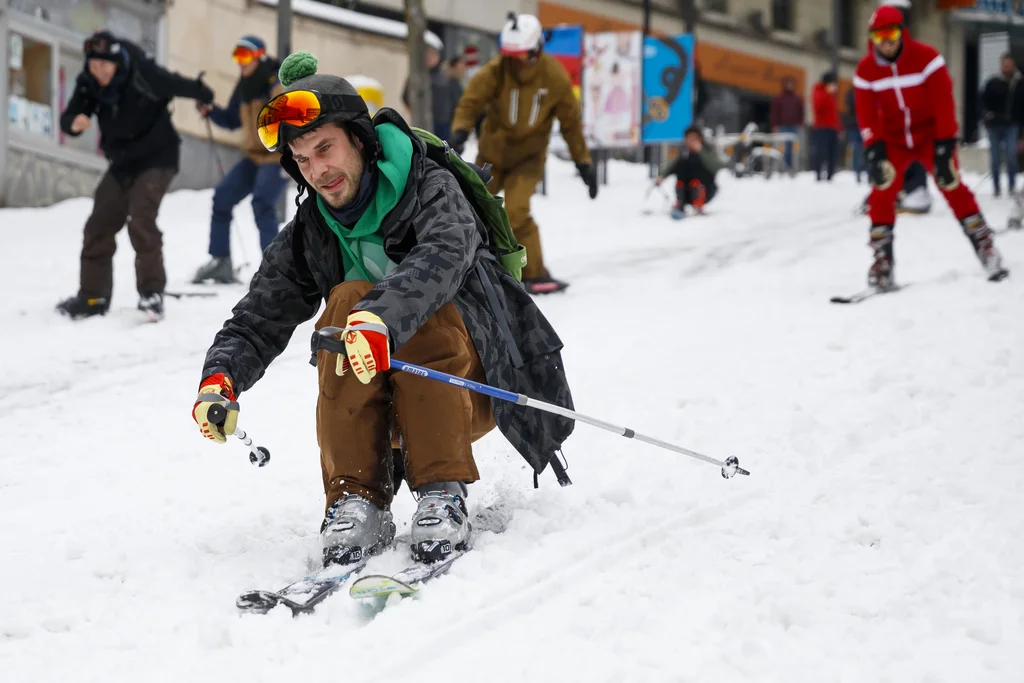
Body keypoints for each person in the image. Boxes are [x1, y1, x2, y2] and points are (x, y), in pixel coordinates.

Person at [191, 52, 574, 567]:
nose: (317, 170)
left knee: (378, 302)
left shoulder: (430, 188)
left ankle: (442, 490)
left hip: (477, 384)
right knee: (347, 299)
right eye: (302, 160)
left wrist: (379, 320)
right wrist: (220, 378)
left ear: (360, 140)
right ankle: (357, 498)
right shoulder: (313, 231)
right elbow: (260, 313)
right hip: (384, 402)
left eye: (325, 148)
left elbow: (441, 257)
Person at [56, 31, 214, 321]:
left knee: (141, 219)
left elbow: (177, 83)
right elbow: (71, 114)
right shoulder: (89, 83)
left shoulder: (143, 73)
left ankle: (152, 294)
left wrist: (204, 96)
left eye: (104, 65)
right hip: (122, 163)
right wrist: (72, 124)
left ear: (117, 62)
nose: (99, 72)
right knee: (98, 225)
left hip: (158, 158)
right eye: (93, 65)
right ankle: (93, 296)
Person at [854, 5, 1008, 288]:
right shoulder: (866, 70)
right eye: (878, 36)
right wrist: (873, 147)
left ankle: (984, 244)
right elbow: (865, 112)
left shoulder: (926, 58)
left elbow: (943, 102)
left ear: (902, 32)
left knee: (951, 184)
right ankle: (882, 260)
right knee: (881, 192)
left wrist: (944, 146)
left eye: (890, 33)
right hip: (894, 139)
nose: (885, 42)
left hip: (929, 135)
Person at [449, 12, 598, 295]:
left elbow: (571, 124)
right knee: (474, 207)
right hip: (493, 154)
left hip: (528, 159)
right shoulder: (496, 70)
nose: (514, 61)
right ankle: (474, 266)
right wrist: (460, 131)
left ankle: (535, 272)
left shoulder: (554, 77)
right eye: (510, 54)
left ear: (536, 49)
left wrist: (583, 163)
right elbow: (470, 102)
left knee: (516, 211)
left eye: (520, 55)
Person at [193, 36, 288, 284]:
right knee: (223, 196)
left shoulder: (273, 82)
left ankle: (275, 270)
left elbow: (288, 117)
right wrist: (210, 111)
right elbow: (233, 119)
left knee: (262, 204)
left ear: (259, 57)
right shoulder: (245, 85)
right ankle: (220, 260)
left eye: (245, 56)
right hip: (254, 155)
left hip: (277, 156)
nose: (240, 63)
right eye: (237, 56)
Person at [401, 31, 459, 142]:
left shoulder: (446, 77)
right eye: (428, 54)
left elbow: (454, 102)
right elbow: (405, 96)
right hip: (421, 123)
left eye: (433, 54)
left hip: (443, 126)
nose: (430, 57)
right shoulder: (416, 76)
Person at [655, 125, 723, 219]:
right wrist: (661, 176)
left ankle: (698, 204)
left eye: (694, 138)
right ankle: (680, 203)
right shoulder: (683, 153)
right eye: (689, 138)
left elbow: (717, 166)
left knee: (696, 169)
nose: (691, 141)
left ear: (700, 139)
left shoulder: (708, 150)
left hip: (705, 189)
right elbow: (669, 166)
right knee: (682, 167)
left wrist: (701, 151)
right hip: (685, 190)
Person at [980, 52, 1022, 197]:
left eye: (1008, 64)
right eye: (1004, 65)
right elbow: (982, 102)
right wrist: (986, 115)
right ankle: (996, 187)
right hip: (995, 125)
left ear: (1013, 65)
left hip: (1012, 125)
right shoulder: (993, 82)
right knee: (995, 158)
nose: (1006, 67)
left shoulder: (1020, 84)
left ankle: (1011, 186)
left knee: (1011, 156)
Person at [769, 76, 804, 173]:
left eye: (791, 84)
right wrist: (775, 125)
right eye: (788, 84)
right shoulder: (779, 98)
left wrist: (799, 123)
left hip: (794, 127)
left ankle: (791, 167)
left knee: (793, 148)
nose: (790, 86)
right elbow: (774, 113)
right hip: (782, 126)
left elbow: (801, 112)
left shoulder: (797, 98)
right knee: (783, 148)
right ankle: (782, 167)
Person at [810, 72, 840, 182]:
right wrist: (828, 93)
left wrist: (839, 127)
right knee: (821, 151)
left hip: (833, 127)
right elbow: (818, 106)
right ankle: (818, 174)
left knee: (833, 152)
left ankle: (830, 175)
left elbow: (834, 112)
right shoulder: (818, 90)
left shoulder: (832, 95)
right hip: (821, 127)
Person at [843, 87, 864, 182]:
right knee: (857, 149)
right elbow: (850, 105)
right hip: (853, 125)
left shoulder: (865, 92)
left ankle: (866, 173)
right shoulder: (850, 93)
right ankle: (857, 174)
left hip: (862, 125)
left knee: (864, 150)